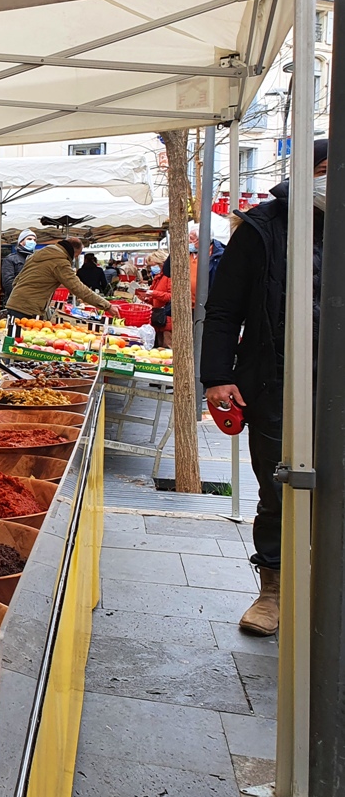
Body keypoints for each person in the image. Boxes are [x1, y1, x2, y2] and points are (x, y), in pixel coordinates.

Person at [201, 137, 328, 636]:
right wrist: (217, 376)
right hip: (276, 381)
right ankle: (273, 591)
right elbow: (223, 308)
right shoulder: (262, 227)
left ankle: (323, 588)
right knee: (280, 486)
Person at [4, 236, 119, 319]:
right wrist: (107, 306)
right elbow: (78, 289)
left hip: (14, 303)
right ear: (73, 253)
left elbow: (17, 280)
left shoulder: (38, 254)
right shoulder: (60, 262)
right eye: (77, 256)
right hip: (28, 309)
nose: (75, 259)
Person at [135, 252, 172, 347]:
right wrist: (146, 298)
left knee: (167, 346)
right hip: (158, 319)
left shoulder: (169, 277)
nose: (152, 268)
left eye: (153, 265)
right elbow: (155, 297)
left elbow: (171, 296)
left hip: (167, 318)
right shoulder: (158, 278)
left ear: (161, 263)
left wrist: (153, 293)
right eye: (150, 266)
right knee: (159, 346)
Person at [1, 229, 37, 300]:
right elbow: (8, 282)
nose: (32, 242)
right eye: (29, 239)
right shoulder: (11, 259)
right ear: (21, 242)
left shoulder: (36, 258)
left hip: (34, 300)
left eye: (34, 240)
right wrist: (20, 297)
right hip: (17, 300)